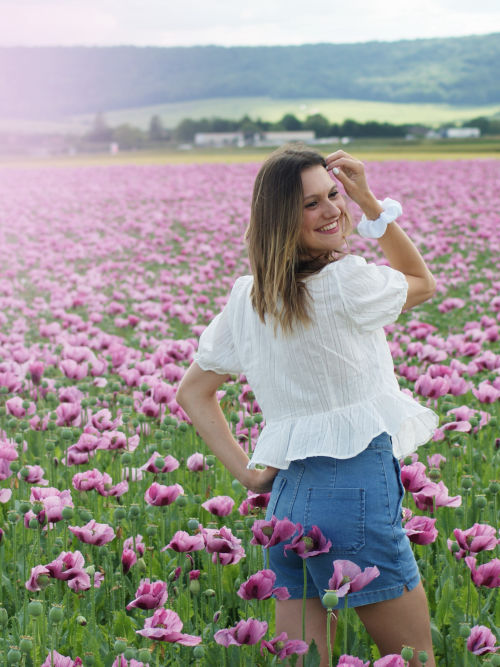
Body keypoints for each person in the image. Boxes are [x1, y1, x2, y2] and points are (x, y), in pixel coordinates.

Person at [176, 146, 438, 666]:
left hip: (287, 503)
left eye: (335, 195)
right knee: (413, 658)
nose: (333, 210)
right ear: (280, 219)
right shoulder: (345, 282)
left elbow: (192, 392)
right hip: (355, 492)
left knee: (303, 660)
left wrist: (250, 476)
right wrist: (370, 204)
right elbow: (423, 282)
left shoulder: (249, 298)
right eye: (310, 204)